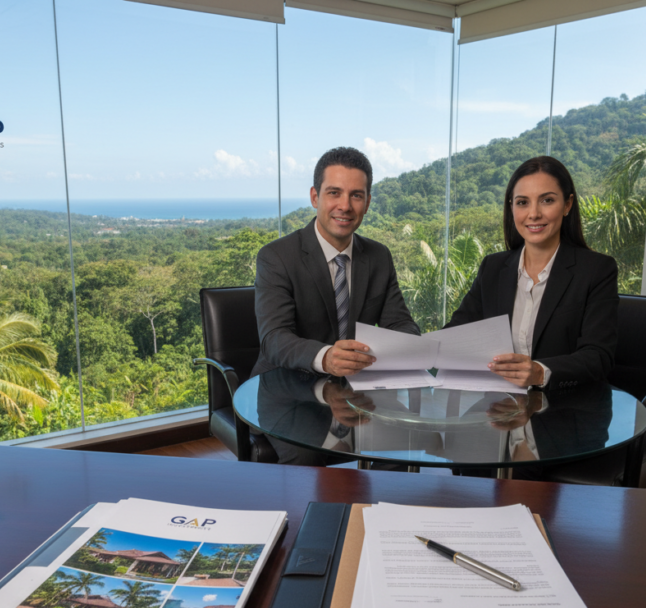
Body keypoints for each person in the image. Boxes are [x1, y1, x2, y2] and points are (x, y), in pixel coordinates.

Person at [252, 146, 419, 466]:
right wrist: (327, 357)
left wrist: (406, 344)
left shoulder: (379, 256)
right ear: (315, 197)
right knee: (309, 468)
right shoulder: (276, 257)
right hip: (289, 392)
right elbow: (274, 339)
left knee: (401, 451)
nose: (345, 205)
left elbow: (401, 323)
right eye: (334, 193)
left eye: (356, 195)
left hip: (359, 391)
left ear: (367, 202)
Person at [446, 156, 618, 390]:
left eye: (547, 200)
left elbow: (598, 356)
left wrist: (540, 372)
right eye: (522, 202)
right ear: (511, 207)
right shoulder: (492, 268)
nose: (534, 214)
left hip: (567, 406)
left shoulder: (597, 270)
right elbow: (455, 334)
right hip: (500, 404)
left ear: (567, 205)